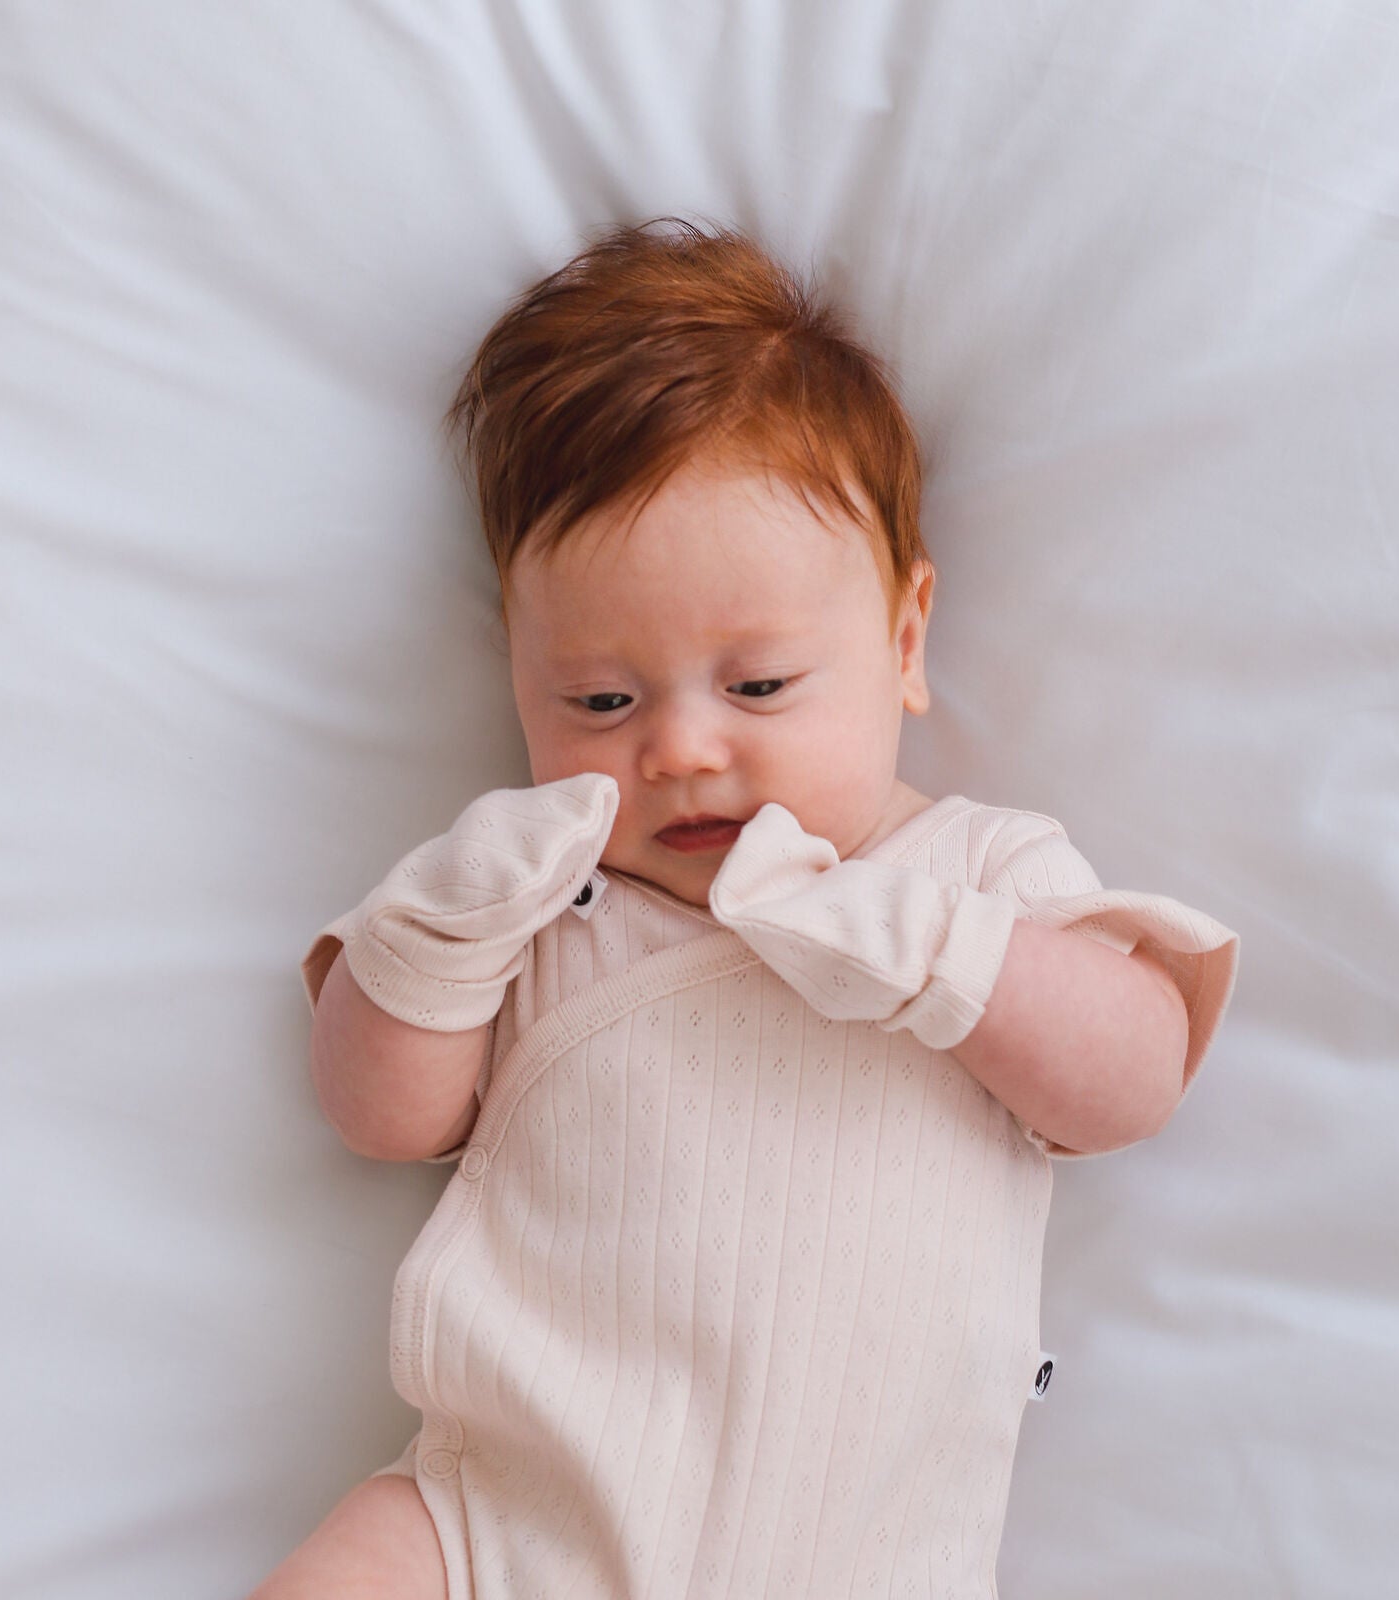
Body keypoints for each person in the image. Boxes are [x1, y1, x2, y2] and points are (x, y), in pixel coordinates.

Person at [252, 219, 1238, 1599]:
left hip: (852, 1551)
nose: (682, 750)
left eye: (761, 686)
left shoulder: (973, 874)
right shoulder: (549, 901)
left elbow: (1130, 1078)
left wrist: (938, 950)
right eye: (600, 701)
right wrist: (435, 932)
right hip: (507, 1519)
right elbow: (385, 1115)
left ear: (903, 641)